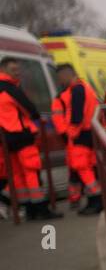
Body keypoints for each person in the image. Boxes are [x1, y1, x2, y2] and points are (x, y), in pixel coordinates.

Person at [0, 57, 61, 221]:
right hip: (21, 135)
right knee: (31, 171)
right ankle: (40, 208)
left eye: (18, 70)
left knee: (17, 174)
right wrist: (35, 116)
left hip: (5, 139)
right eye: (14, 70)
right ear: (4, 69)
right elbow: (30, 109)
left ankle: (28, 209)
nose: (17, 73)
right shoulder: (9, 88)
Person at [51, 64, 103, 215]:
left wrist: (71, 135)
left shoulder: (77, 90)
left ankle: (96, 198)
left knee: (82, 167)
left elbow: (76, 117)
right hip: (88, 133)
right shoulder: (85, 87)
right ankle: (95, 199)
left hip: (80, 135)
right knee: (89, 167)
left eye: (60, 77)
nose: (60, 81)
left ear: (67, 75)